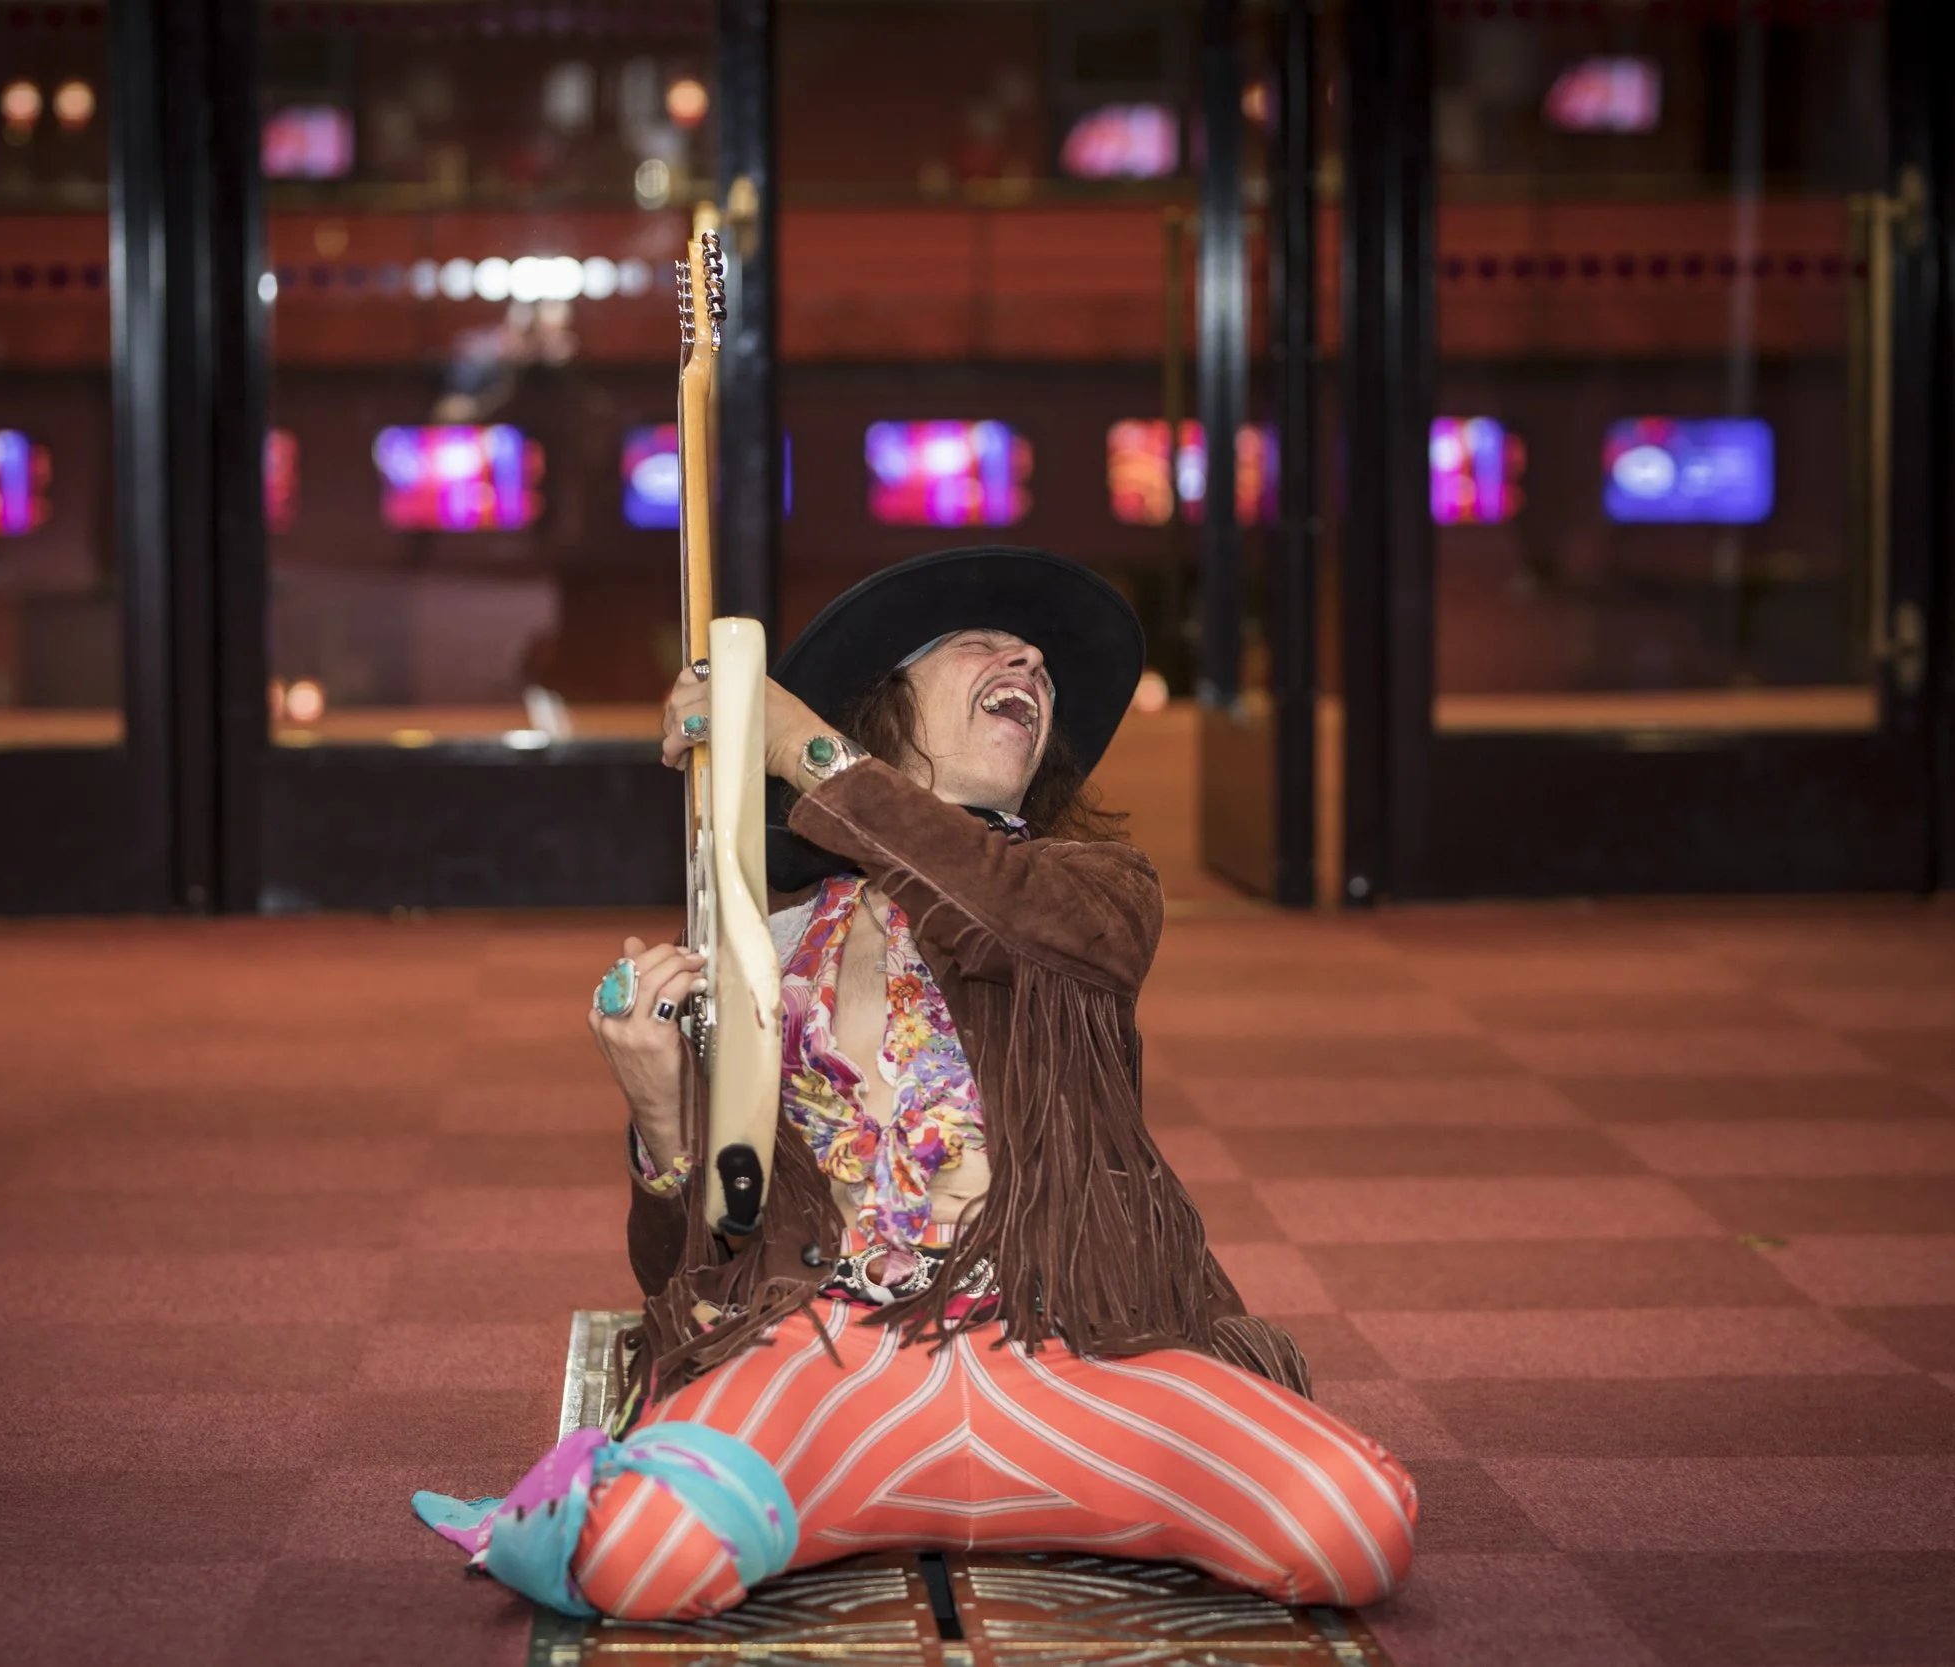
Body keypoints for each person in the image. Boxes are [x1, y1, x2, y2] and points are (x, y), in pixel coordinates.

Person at [414, 547, 1416, 1620]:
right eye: (981, 642)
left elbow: (990, 905)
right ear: (879, 705)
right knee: (639, 1559)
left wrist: (793, 740)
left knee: (1355, 1522)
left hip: (1070, 1349)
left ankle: (887, 1508)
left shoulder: (1091, 892)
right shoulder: (766, 942)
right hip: (835, 1365)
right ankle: (745, 1500)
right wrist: (660, 1111)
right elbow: (687, 1268)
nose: (1028, 657)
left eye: (1039, 662)